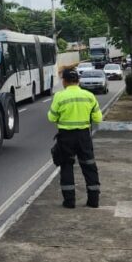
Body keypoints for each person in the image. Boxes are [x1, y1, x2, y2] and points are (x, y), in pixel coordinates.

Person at [47, 66, 103, 208]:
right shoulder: (89, 96)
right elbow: (98, 118)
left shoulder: (59, 96)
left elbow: (52, 118)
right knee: (89, 166)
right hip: (84, 136)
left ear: (64, 81)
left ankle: (69, 201)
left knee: (66, 166)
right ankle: (93, 201)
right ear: (78, 80)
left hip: (66, 137)